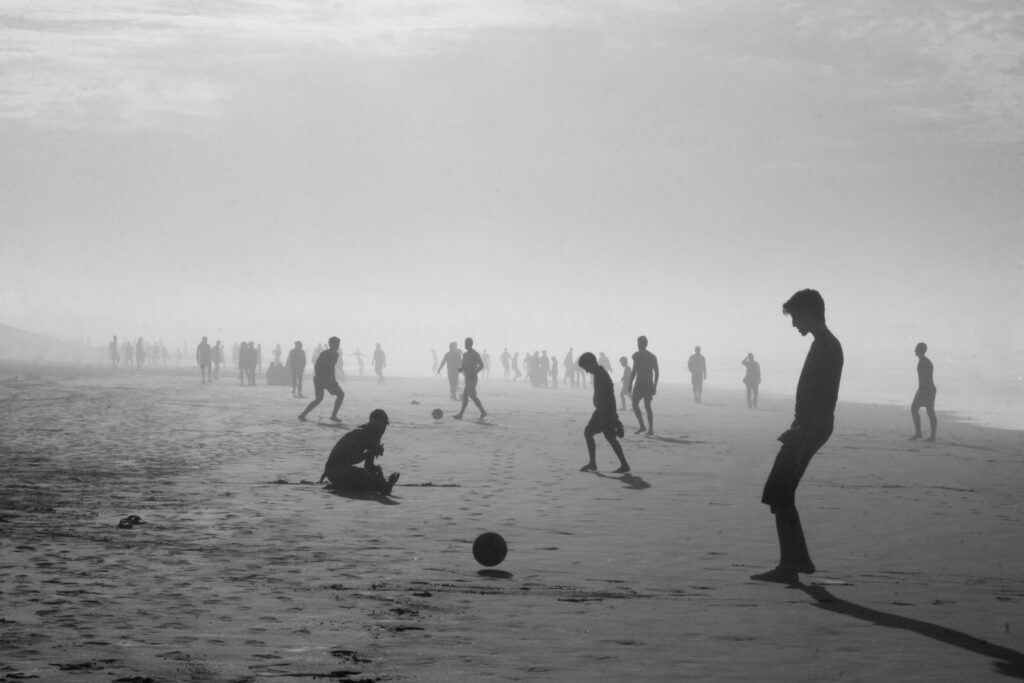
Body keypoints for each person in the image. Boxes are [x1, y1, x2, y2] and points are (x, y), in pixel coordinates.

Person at [754, 289, 843, 584]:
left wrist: (802, 430)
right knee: (779, 491)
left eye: (795, 317)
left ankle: (791, 565)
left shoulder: (827, 346)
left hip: (810, 427)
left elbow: (824, 396)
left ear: (808, 313)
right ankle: (796, 561)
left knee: (780, 490)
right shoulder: (823, 344)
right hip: (807, 426)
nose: (793, 324)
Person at [319, 409, 399, 496]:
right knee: (363, 476)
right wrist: (371, 452)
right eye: (378, 427)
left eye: (383, 427)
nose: (381, 431)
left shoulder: (375, 438)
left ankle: (383, 486)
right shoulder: (359, 434)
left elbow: (368, 466)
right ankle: (382, 487)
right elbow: (351, 459)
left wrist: (377, 471)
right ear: (371, 424)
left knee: (371, 475)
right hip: (334, 469)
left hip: (343, 469)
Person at [577, 352, 629, 473]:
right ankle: (624, 464)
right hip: (606, 411)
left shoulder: (601, 375)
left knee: (588, 432)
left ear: (591, 363)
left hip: (603, 412)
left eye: (586, 368)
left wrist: (612, 417)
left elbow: (609, 396)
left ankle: (593, 463)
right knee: (610, 437)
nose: (586, 371)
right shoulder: (600, 373)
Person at [298, 336, 345, 422]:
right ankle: (333, 416)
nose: (337, 346)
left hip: (320, 379)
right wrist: (331, 379)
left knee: (319, 399)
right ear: (331, 344)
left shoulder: (332, 354)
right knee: (340, 395)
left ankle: (303, 414)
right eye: (336, 344)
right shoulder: (330, 354)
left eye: (338, 344)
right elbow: (324, 367)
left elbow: (330, 367)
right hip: (324, 379)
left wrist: (330, 378)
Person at [629, 335, 659, 435]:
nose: (639, 346)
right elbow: (634, 371)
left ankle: (650, 429)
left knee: (647, 406)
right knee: (634, 404)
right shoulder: (636, 355)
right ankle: (642, 426)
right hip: (638, 383)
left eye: (641, 344)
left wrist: (654, 386)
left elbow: (657, 372)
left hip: (647, 384)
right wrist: (630, 383)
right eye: (638, 344)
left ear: (645, 344)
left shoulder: (652, 356)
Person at [454, 337, 487, 420]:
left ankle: (482, 412)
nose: (465, 344)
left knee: (471, 396)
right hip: (467, 378)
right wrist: (460, 369)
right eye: (465, 343)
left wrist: (475, 372)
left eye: (467, 343)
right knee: (467, 396)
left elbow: (482, 365)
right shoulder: (464, 355)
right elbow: (463, 366)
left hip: (473, 378)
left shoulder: (475, 354)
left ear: (471, 344)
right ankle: (461, 414)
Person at [910, 342, 937, 441]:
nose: (914, 350)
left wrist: (923, 391)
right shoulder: (923, 361)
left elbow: (926, 378)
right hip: (925, 389)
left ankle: (929, 435)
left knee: (928, 412)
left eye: (916, 348)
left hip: (927, 389)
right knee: (916, 409)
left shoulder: (924, 362)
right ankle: (920, 433)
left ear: (921, 350)